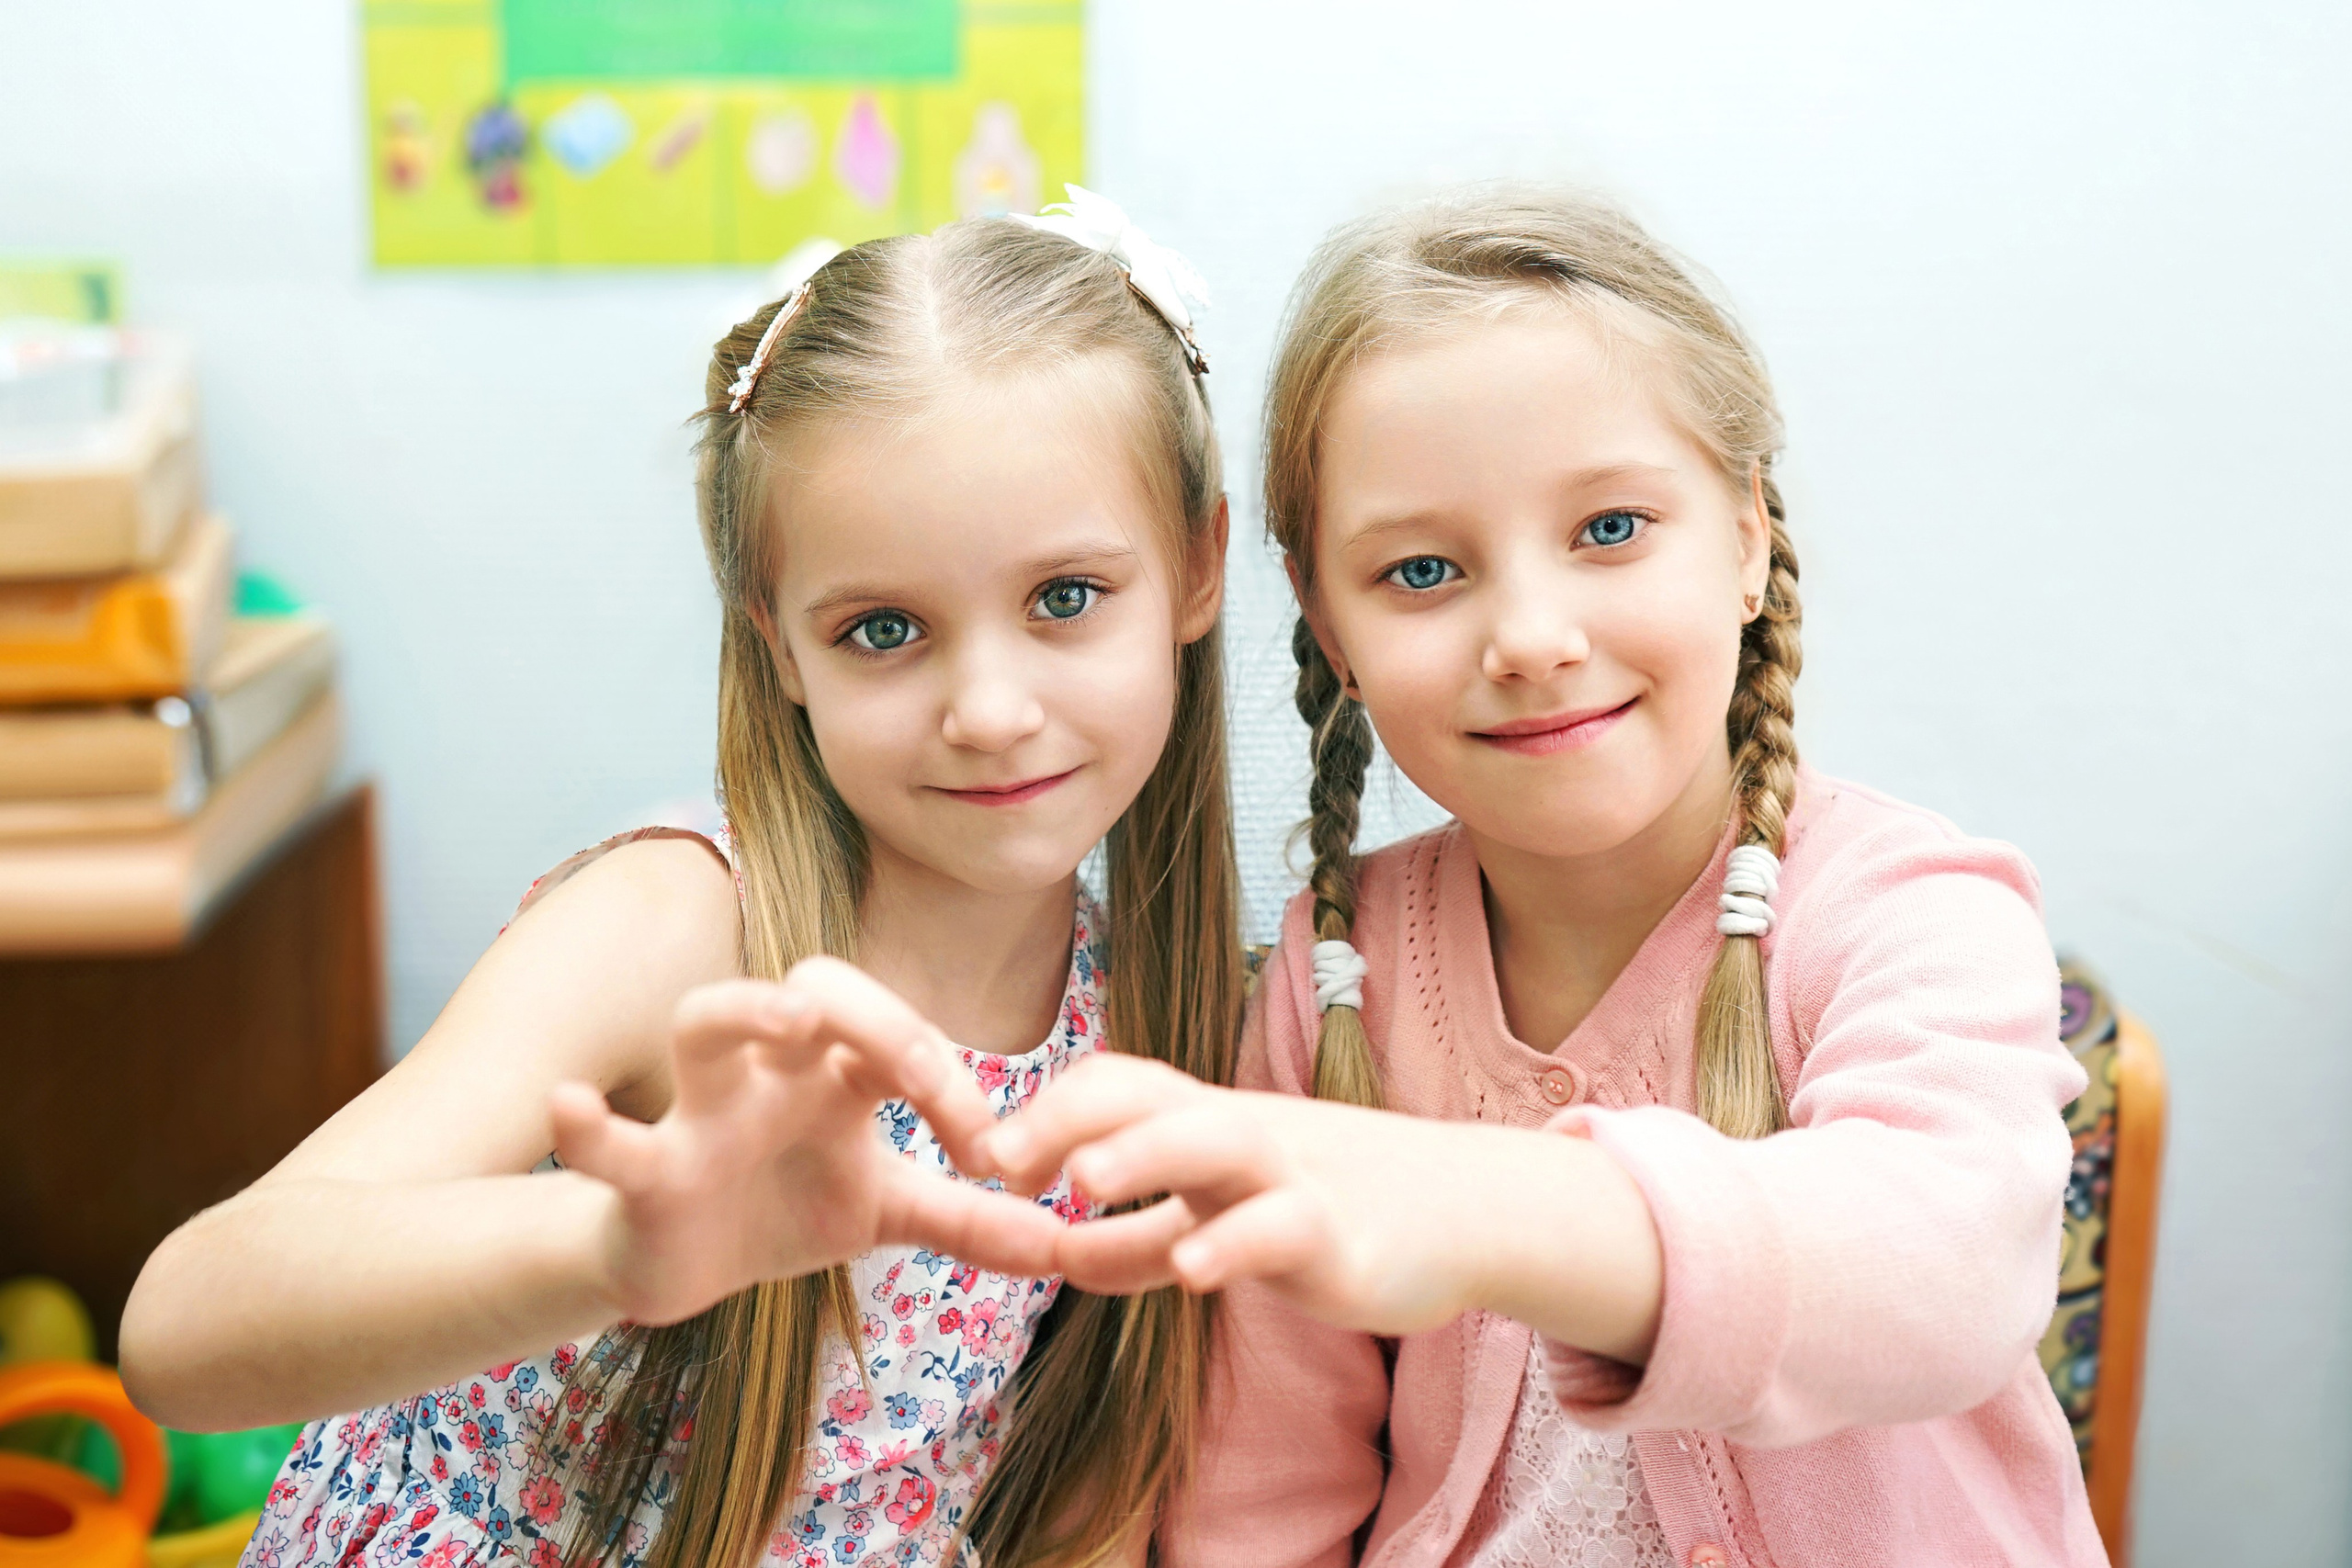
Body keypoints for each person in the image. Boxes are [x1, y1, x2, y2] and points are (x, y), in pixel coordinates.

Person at [120, 191, 1243, 1568]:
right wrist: (609, 1249)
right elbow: (183, 1329)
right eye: (884, 629)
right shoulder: (679, 925)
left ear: (1198, 566)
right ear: (779, 647)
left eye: (1066, 597)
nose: (991, 710)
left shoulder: (1150, 1009)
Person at [987, 187, 2106, 1568]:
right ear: (1327, 623)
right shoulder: (1335, 983)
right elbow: (1260, 1498)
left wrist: (1476, 1209)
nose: (1530, 634)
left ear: (1748, 537)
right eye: (1421, 568)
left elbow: (1949, 1273)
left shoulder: (1914, 913)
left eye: (1612, 529)